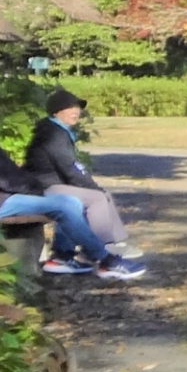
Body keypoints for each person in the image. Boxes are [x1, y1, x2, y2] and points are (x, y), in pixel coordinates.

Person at [0, 76, 144, 280]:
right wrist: (31, 188)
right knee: (64, 206)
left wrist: (27, 186)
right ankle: (105, 261)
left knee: (69, 201)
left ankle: (63, 256)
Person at [21, 87, 142, 261]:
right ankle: (103, 246)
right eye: (69, 108)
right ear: (56, 112)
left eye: (77, 108)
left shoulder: (59, 131)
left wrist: (93, 186)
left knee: (101, 194)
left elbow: (71, 169)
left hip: (55, 184)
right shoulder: (53, 134)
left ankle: (117, 243)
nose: (76, 112)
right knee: (96, 197)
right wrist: (92, 187)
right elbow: (69, 170)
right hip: (44, 187)